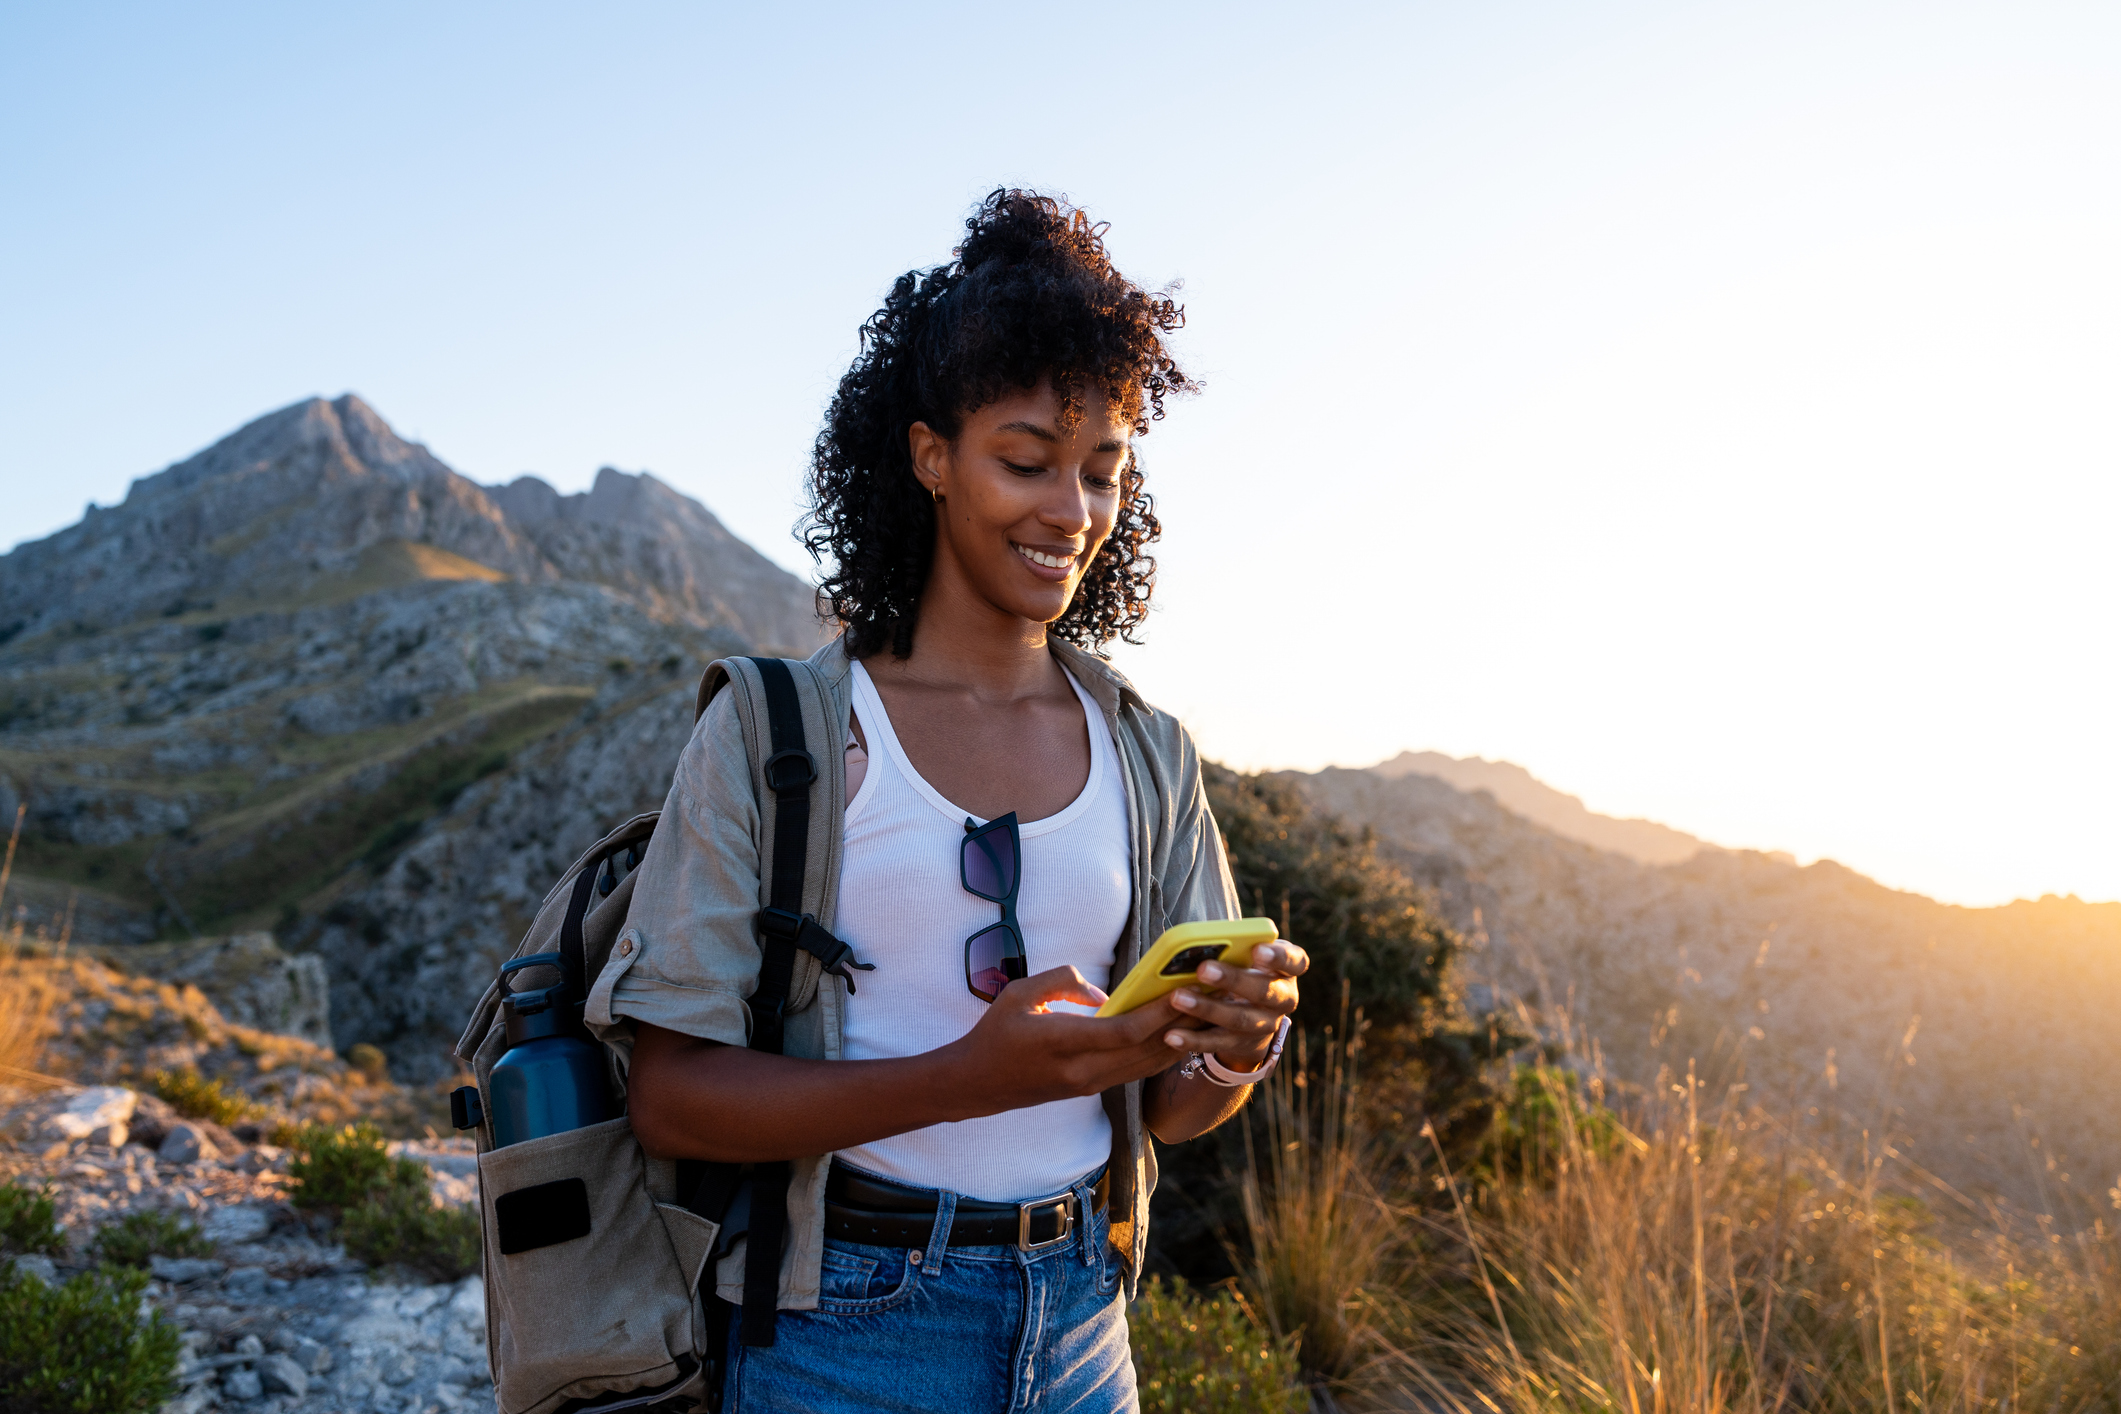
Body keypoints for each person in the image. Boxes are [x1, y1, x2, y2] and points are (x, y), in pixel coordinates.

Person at [615, 189, 1308, 1414]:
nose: (1072, 512)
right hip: (843, 1329)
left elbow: (1174, 1112)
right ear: (932, 455)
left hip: (1084, 1318)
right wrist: (973, 1075)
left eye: (1103, 471)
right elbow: (671, 1091)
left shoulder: (1150, 753)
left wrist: (1233, 1046)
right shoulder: (787, 731)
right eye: (1027, 461)